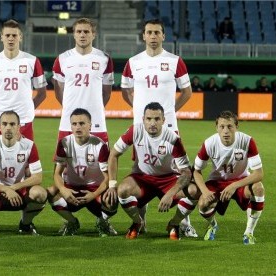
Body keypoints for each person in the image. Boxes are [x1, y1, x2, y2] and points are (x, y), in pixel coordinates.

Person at [121, 18, 195, 236]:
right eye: (149, 32)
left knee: (176, 172)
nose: (153, 36)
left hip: (168, 127)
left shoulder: (175, 61)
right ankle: (140, 219)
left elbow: (187, 92)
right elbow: (126, 92)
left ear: (163, 36)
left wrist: (170, 112)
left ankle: (184, 222)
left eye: (157, 33)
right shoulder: (133, 62)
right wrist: (140, 116)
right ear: (143, 36)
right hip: (142, 128)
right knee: (141, 169)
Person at [106, 102, 199, 240]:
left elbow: (186, 172)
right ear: (143, 119)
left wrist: (170, 194)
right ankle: (138, 222)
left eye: (156, 119)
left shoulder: (173, 139)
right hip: (142, 178)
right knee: (123, 190)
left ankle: (174, 223)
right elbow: (113, 155)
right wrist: (112, 185)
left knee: (194, 191)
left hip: (168, 179)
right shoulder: (135, 131)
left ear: (163, 121)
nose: (152, 123)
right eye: (149, 119)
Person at [193, 111, 264, 245]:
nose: (226, 131)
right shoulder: (209, 143)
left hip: (240, 181)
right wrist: (205, 191)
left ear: (236, 127)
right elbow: (196, 171)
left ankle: (249, 233)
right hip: (217, 181)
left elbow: (259, 173)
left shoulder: (247, 141)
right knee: (202, 203)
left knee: (258, 188)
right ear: (217, 127)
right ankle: (213, 225)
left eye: (230, 126)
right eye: (222, 126)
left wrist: (233, 186)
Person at [47, 108, 117, 236]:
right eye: (74, 124)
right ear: (71, 126)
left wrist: (94, 194)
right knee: (51, 192)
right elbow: (57, 173)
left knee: (112, 198)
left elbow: (107, 177)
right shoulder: (64, 143)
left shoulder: (100, 145)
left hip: (94, 190)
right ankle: (72, 221)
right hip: (71, 189)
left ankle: (102, 222)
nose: (78, 127)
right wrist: (63, 189)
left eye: (82, 123)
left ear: (90, 126)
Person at [0, 111, 47, 236]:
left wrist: (12, 188)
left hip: (19, 191)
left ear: (19, 127)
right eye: (5, 124)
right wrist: (5, 189)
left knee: (40, 194)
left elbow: (38, 177)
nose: (8, 127)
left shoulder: (29, 145)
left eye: (12, 124)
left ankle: (25, 224)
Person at [0, 19, 47, 141]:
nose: (11, 38)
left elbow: (42, 93)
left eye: (14, 35)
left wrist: (28, 109)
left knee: (24, 159)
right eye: (7, 35)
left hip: (24, 120)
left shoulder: (32, 61)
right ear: (1, 37)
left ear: (20, 37)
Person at [52, 17, 114, 143]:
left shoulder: (104, 59)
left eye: (86, 32)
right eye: (79, 31)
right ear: (74, 35)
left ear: (93, 35)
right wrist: (69, 107)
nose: (82, 35)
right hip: (68, 118)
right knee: (64, 161)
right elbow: (59, 91)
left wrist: (96, 107)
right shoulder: (62, 59)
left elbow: (107, 92)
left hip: (96, 118)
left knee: (100, 160)